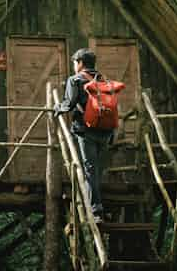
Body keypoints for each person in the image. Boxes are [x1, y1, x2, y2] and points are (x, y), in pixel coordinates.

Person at [54, 48, 113, 223]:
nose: (74, 66)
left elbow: (69, 104)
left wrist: (57, 108)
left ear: (80, 63)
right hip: (105, 131)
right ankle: (99, 208)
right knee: (97, 171)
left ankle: (95, 211)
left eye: (74, 62)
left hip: (85, 131)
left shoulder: (75, 80)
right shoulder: (104, 80)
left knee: (89, 170)